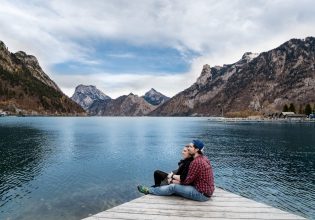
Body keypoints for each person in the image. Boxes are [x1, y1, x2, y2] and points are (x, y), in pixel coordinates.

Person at [137, 139, 215, 202]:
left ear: (197, 149)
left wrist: (173, 179)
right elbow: (190, 179)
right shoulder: (203, 158)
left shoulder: (196, 162)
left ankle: (149, 191)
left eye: (190, 147)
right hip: (206, 191)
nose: (188, 148)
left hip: (201, 194)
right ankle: (156, 190)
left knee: (173, 187)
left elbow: (186, 181)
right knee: (174, 186)